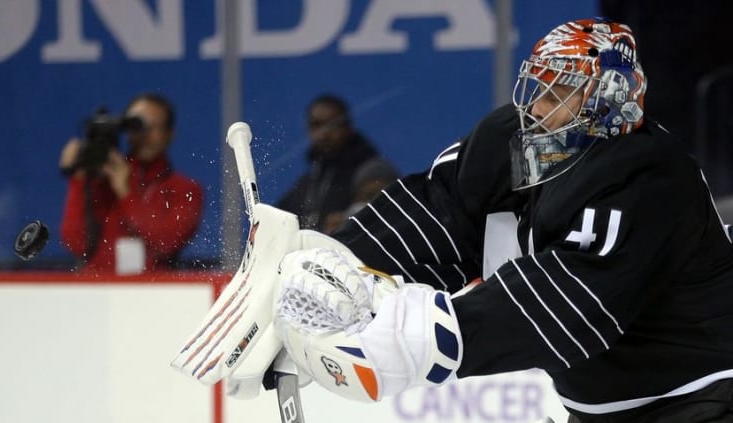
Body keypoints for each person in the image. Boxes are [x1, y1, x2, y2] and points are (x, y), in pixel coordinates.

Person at [272, 17, 733, 422]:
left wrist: (418, 338)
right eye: (540, 86)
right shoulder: (515, 141)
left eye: (560, 91)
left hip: (704, 401)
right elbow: (439, 208)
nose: (537, 108)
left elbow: (570, 302)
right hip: (599, 412)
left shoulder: (649, 172)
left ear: (610, 100)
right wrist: (328, 260)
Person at [59, 93, 203, 273]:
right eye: (138, 126)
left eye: (154, 127)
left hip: (154, 292)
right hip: (97, 290)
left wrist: (126, 192)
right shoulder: (102, 182)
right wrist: (79, 180)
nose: (146, 136)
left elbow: (167, 242)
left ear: (169, 134)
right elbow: (76, 243)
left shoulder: (185, 189)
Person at [277, 94, 390, 234]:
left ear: (348, 127)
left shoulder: (373, 171)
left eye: (332, 125)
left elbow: (381, 216)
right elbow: (276, 222)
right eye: (316, 125)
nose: (324, 134)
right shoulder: (308, 182)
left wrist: (349, 221)